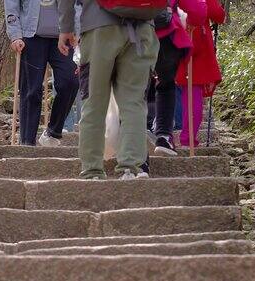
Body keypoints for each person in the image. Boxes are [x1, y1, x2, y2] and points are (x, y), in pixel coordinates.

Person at [57, 0, 159, 179]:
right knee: (134, 102)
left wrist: (66, 26)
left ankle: (92, 171)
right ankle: (130, 168)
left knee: (94, 102)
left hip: (98, 27)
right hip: (143, 27)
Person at [5, 0, 80, 147]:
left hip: (63, 36)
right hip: (31, 35)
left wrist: (78, 31)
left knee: (70, 81)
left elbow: (78, 4)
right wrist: (15, 35)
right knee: (31, 90)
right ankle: (27, 142)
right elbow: (12, 5)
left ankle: (54, 131)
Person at [147, 0, 208, 156]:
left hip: (129, 31)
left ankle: (130, 138)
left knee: (134, 88)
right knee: (165, 85)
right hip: (166, 33)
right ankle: (163, 135)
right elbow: (198, 11)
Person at [177, 0, 226, 147]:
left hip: (174, 39)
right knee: (193, 92)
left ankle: (167, 134)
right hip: (198, 45)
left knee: (174, 89)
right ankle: (187, 138)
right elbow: (219, 16)